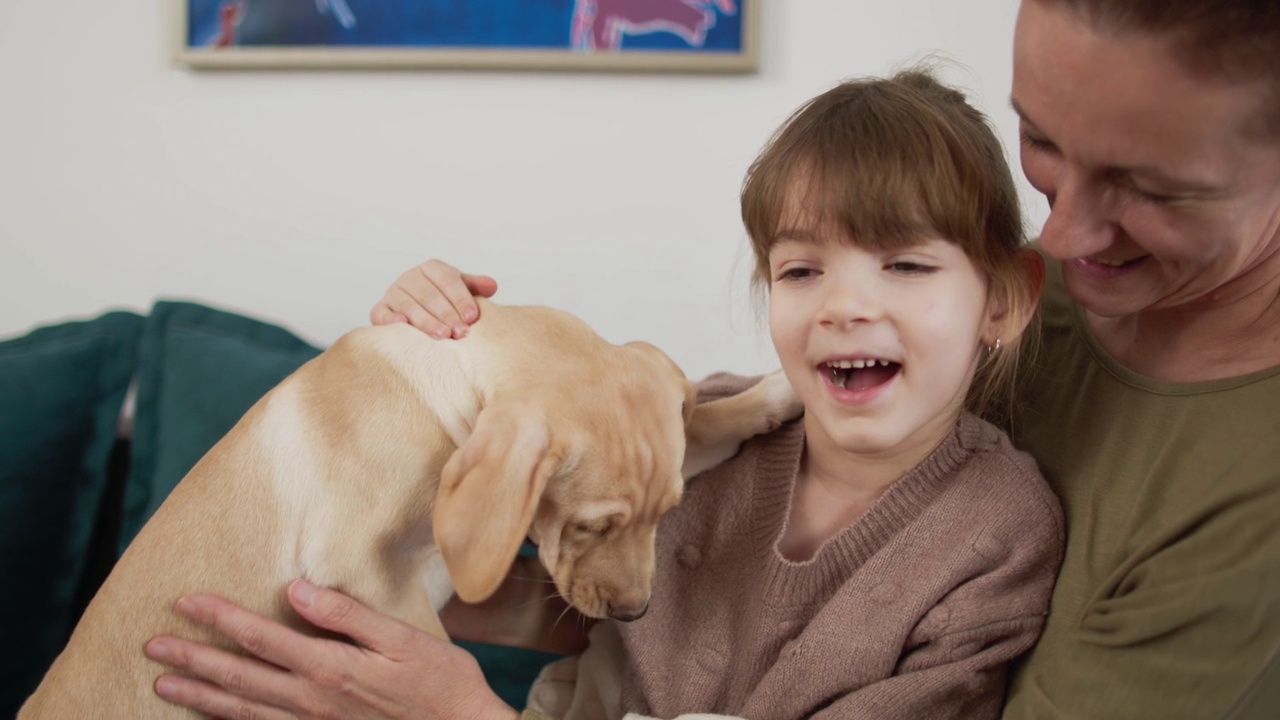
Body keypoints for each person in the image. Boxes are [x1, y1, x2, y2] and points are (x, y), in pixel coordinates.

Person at [144, 0, 1280, 717]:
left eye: (1150, 190)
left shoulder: (1000, 536)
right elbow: (561, 599)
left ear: (1000, 304)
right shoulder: (729, 426)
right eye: (799, 273)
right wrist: (429, 355)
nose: (1070, 228)